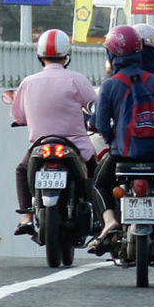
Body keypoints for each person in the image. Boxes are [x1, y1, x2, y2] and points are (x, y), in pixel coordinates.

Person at [89, 25, 154, 253]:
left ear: (112, 54)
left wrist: (112, 139)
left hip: (122, 155)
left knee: (98, 183)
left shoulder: (110, 85)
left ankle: (109, 222)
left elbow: (99, 124)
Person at [9, 28, 99, 237]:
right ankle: (99, 215)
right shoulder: (76, 80)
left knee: (22, 171)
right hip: (76, 147)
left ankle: (26, 217)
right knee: (95, 173)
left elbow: (19, 116)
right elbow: (95, 106)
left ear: (40, 56)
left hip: (39, 146)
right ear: (66, 56)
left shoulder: (28, 82)